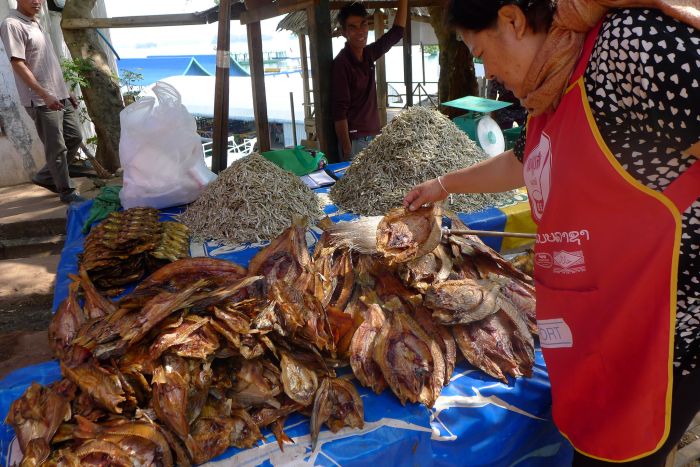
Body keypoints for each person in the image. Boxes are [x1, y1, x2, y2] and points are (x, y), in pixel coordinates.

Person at [404, 1, 699, 465]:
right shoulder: (554, 84)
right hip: (603, 324)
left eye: (481, 52)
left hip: (662, 327)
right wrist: (444, 185)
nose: (489, 72)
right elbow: (524, 158)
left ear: (513, 20)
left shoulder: (624, 46)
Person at [1, 0, 86, 203]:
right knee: (56, 147)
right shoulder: (12, 24)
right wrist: (44, 94)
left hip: (59, 93)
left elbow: (49, 60)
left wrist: (65, 89)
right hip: (40, 99)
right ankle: (66, 191)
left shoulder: (36, 21)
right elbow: (18, 64)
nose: (36, 1)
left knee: (74, 137)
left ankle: (46, 176)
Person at [331, 0, 408, 161]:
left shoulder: (368, 54)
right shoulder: (341, 64)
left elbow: (396, 33)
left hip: (373, 137)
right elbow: (339, 113)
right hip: (354, 142)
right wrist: (347, 152)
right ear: (344, 32)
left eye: (363, 24)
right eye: (352, 27)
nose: (360, 32)